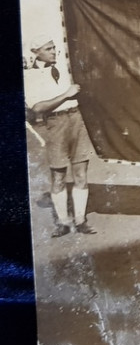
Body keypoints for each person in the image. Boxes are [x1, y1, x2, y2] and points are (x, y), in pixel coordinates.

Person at [24, 34, 97, 238]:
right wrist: (66, 94)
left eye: (54, 47)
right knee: (58, 176)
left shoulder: (67, 66)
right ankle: (64, 222)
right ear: (35, 52)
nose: (53, 51)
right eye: (48, 49)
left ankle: (81, 220)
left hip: (76, 119)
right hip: (54, 123)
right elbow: (37, 108)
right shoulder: (29, 76)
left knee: (81, 172)